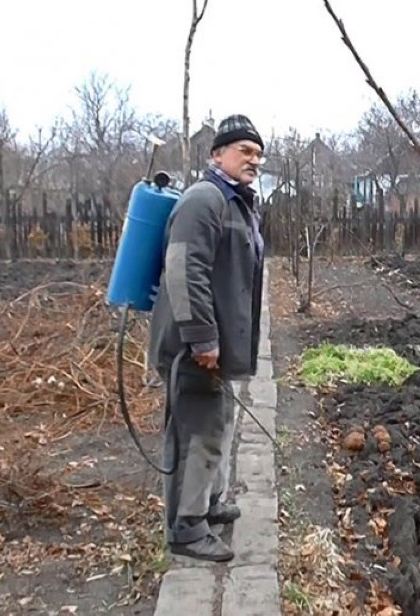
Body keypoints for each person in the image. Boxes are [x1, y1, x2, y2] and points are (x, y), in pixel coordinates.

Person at [148, 114, 266, 562]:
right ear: (218, 154)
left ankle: (208, 504)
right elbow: (184, 268)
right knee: (194, 432)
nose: (253, 160)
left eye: (257, 154)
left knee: (217, 424)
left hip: (213, 344)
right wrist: (201, 338)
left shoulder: (236, 201)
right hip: (191, 345)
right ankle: (186, 527)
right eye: (244, 151)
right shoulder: (204, 200)